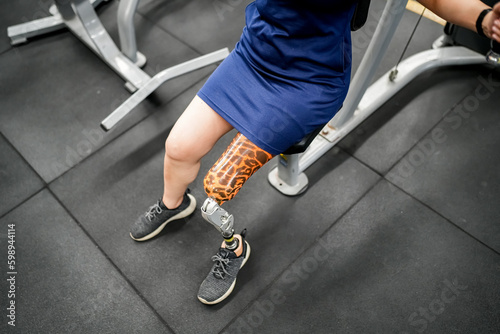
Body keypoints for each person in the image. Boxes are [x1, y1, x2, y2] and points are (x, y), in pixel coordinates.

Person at [129, 0, 500, 305]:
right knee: (178, 147)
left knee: (219, 185)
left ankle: (235, 247)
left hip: (308, 82)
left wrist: (483, 21)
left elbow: (434, 0)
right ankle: (174, 204)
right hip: (251, 59)